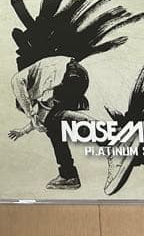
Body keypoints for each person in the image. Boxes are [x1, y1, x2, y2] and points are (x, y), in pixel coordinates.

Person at [7, 56, 93, 190]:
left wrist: (30, 114)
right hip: (78, 76)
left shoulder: (20, 80)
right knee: (54, 125)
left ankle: (69, 175)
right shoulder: (43, 87)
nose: (34, 105)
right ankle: (69, 175)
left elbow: (17, 83)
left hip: (71, 73)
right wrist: (23, 131)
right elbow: (42, 119)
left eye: (31, 103)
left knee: (53, 122)